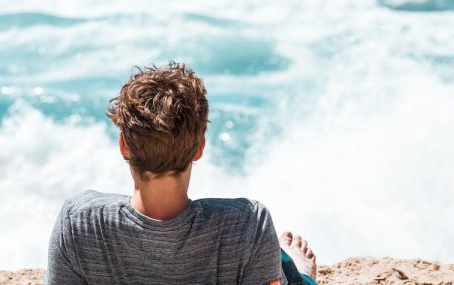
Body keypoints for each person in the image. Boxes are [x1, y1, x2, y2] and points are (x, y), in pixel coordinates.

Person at [46, 62, 317, 285]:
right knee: (279, 260)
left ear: (124, 146)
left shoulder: (79, 222)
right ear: (199, 149)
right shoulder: (248, 223)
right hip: (249, 243)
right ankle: (301, 275)